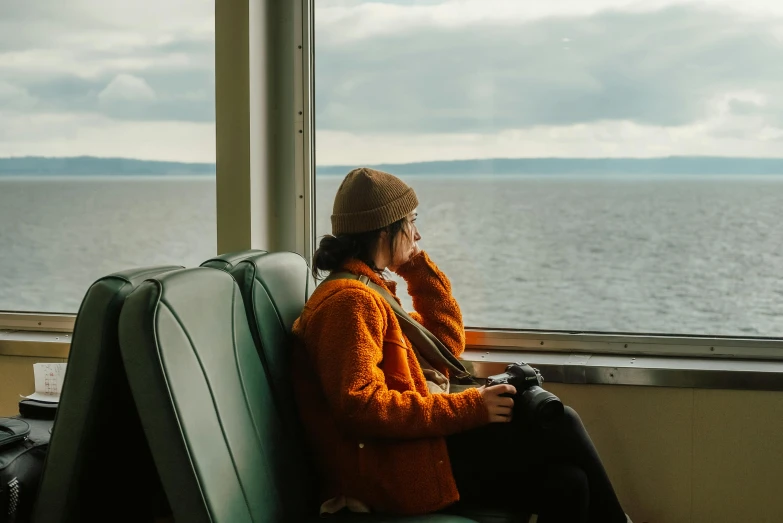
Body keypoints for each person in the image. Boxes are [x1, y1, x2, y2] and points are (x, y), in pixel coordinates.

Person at [291, 167, 632, 523]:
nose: (418, 234)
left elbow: (445, 346)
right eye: (412, 222)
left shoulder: (370, 291)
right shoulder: (349, 302)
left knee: (570, 483)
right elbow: (361, 407)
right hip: (391, 471)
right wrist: (472, 409)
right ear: (385, 230)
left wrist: (416, 264)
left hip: (411, 451)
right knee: (559, 422)